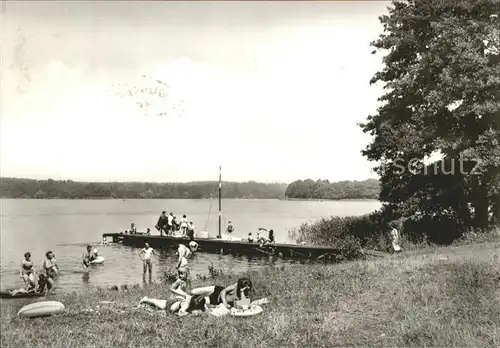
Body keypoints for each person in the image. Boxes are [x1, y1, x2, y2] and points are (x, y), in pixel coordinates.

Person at [140, 293, 208, 317]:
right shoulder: (186, 305)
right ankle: (145, 299)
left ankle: (147, 299)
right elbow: (181, 313)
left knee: (159, 301)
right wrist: (190, 313)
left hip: (178, 301)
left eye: (198, 305)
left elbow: (205, 307)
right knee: (158, 303)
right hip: (170, 304)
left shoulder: (200, 304)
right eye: (196, 305)